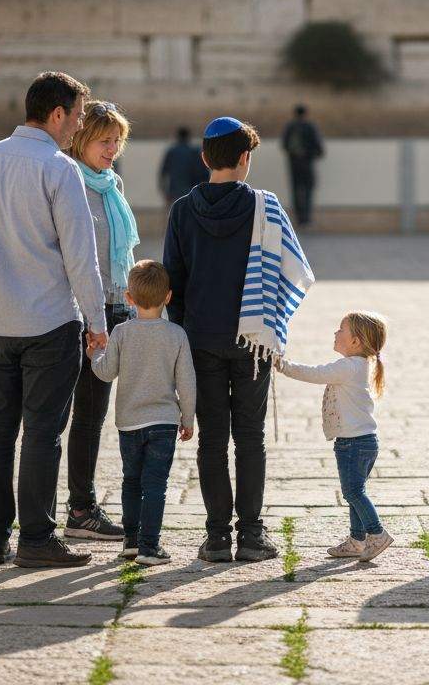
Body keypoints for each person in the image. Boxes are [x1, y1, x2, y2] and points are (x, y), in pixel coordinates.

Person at [0, 72, 108, 569]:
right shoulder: (58, 169)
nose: (80, 126)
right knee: (42, 432)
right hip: (48, 322)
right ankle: (37, 539)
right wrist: (96, 320)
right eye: (79, 115)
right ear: (58, 114)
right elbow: (80, 257)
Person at [164, 116, 313, 563]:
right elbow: (293, 270)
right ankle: (251, 535)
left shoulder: (182, 210)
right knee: (250, 437)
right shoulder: (265, 208)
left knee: (212, 439)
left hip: (201, 340)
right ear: (245, 158)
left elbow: (174, 282)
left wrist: (186, 332)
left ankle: (216, 538)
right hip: (254, 342)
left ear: (205, 157)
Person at [60, 100, 140, 542]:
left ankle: (81, 506)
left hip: (114, 308)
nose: (113, 149)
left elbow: (119, 253)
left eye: (117, 141)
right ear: (81, 139)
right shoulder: (68, 180)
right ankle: (77, 508)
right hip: (75, 312)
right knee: (65, 414)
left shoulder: (113, 185)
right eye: (104, 140)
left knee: (92, 413)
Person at [90, 260, 196, 566]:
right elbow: (186, 383)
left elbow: (106, 372)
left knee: (131, 481)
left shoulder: (121, 333)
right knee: (155, 485)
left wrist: (95, 354)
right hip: (163, 422)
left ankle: (131, 541)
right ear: (168, 297)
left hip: (129, 422)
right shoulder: (176, 334)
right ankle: (150, 547)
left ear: (129, 299)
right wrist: (187, 419)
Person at [276, 311, 392, 562]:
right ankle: (356, 541)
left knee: (353, 493)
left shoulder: (348, 366)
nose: (335, 333)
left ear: (355, 342)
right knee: (355, 492)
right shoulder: (360, 365)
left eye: (341, 329)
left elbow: (316, 373)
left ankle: (377, 533)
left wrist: (283, 365)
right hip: (363, 441)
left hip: (353, 442)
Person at [280, 104, 324, 227]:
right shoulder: (310, 127)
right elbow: (319, 148)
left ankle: (299, 219)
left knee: (295, 190)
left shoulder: (290, 127)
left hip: (294, 164)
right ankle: (307, 219)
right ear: (305, 114)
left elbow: (284, 145)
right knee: (308, 190)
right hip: (307, 164)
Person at [158, 126, 208, 204]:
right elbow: (203, 173)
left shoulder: (172, 152)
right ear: (189, 137)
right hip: (192, 193)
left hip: (174, 193)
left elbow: (163, 173)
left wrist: (165, 192)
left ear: (177, 137)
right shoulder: (195, 151)